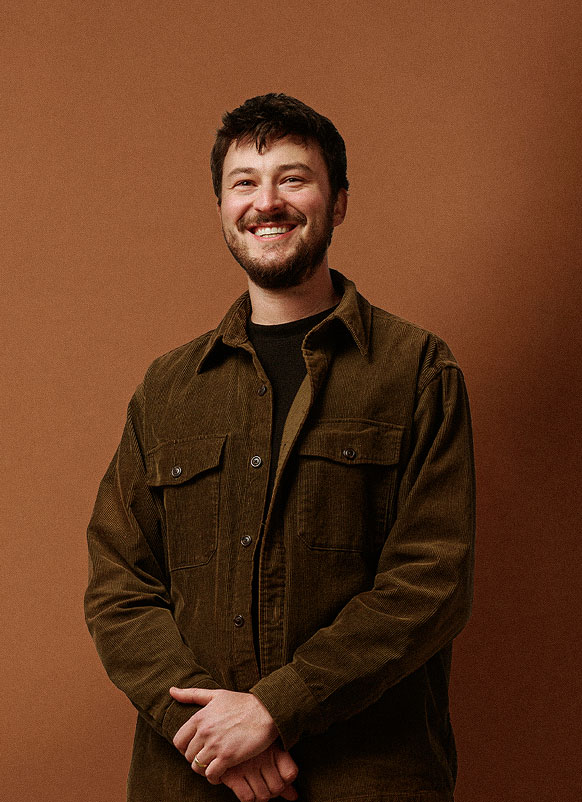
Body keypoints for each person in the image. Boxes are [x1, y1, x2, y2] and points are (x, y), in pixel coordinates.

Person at [85, 93, 475, 802]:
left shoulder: (418, 371)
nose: (266, 202)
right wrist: (209, 731)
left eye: (293, 178)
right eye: (244, 183)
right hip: (191, 779)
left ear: (339, 201)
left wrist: (274, 710)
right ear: (221, 206)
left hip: (367, 780)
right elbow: (120, 586)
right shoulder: (167, 389)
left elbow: (432, 580)